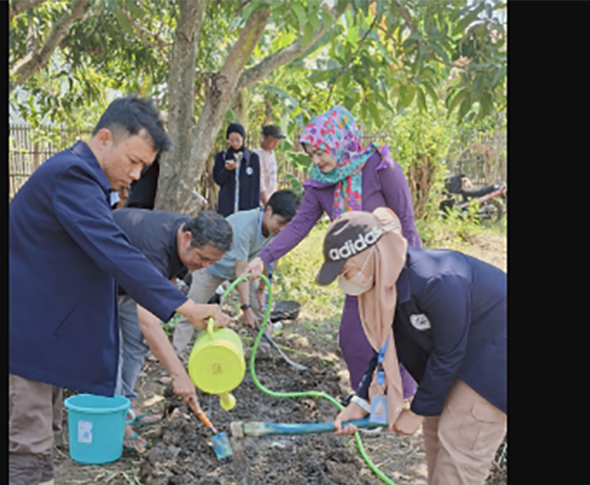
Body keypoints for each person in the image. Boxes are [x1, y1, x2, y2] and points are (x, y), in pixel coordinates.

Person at [8, 96, 231, 485]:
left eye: (143, 167)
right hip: (23, 330)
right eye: (133, 161)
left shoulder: (87, 180)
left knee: (38, 438)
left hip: (41, 330)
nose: (135, 173)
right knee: (22, 444)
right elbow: (111, 247)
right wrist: (182, 304)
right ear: (104, 137)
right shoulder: (72, 176)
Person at [323, 209, 506, 485]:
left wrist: (415, 411)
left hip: (497, 350)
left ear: (368, 254)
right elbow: (384, 351)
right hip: (465, 349)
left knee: (465, 434)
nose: (343, 280)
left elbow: (448, 354)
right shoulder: (386, 289)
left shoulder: (436, 280)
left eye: (345, 269)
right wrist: (359, 401)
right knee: (437, 425)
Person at [245, 105, 421, 401]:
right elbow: (299, 224)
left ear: (339, 142)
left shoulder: (379, 166)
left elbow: (406, 219)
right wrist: (264, 257)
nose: (317, 160)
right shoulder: (319, 183)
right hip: (357, 270)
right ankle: (366, 399)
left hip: (394, 264)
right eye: (311, 154)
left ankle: (403, 399)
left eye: (321, 152)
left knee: (399, 333)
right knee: (353, 339)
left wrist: (413, 269)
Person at [110, 208, 233, 451]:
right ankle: (115, 422)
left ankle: (123, 409)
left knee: (136, 342)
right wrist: (179, 375)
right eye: (202, 258)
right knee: (109, 349)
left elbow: (164, 290)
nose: (204, 266)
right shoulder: (154, 247)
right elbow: (149, 322)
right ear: (187, 238)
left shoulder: (183, 239)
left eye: (212, 262)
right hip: (95, 280)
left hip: (127, 284)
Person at [171, 190, 300, 356]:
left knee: (260, 310)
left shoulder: (277, 232)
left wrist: (261, 290)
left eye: (287, 226)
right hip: (211, 268)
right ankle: (174, 357)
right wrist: (245, 309)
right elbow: (241, 274)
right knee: (191, 310)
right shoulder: (245, 226)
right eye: (280, 222)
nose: (282, 229)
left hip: (245, 268)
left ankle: (261, 352)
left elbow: (270, 259)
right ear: (268, 210)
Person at [212, 123, 261, 217]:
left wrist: (256, 210)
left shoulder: (253, 158)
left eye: (237, 140)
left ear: (243, 138)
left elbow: (256, 186)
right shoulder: (221, 157)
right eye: (231, 140)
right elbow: (218, 180)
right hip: (227, 205)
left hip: (246, 207)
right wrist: (226, 170)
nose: (234, 143)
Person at [254, 124, 285, 206]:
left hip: (272, 198)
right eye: (273, 140)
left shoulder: (272, 153)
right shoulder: (257, 155)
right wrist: (266, 204)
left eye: (277, 141)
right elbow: (260, 184)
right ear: (264, 138)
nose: (276, 143)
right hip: (261, 203)